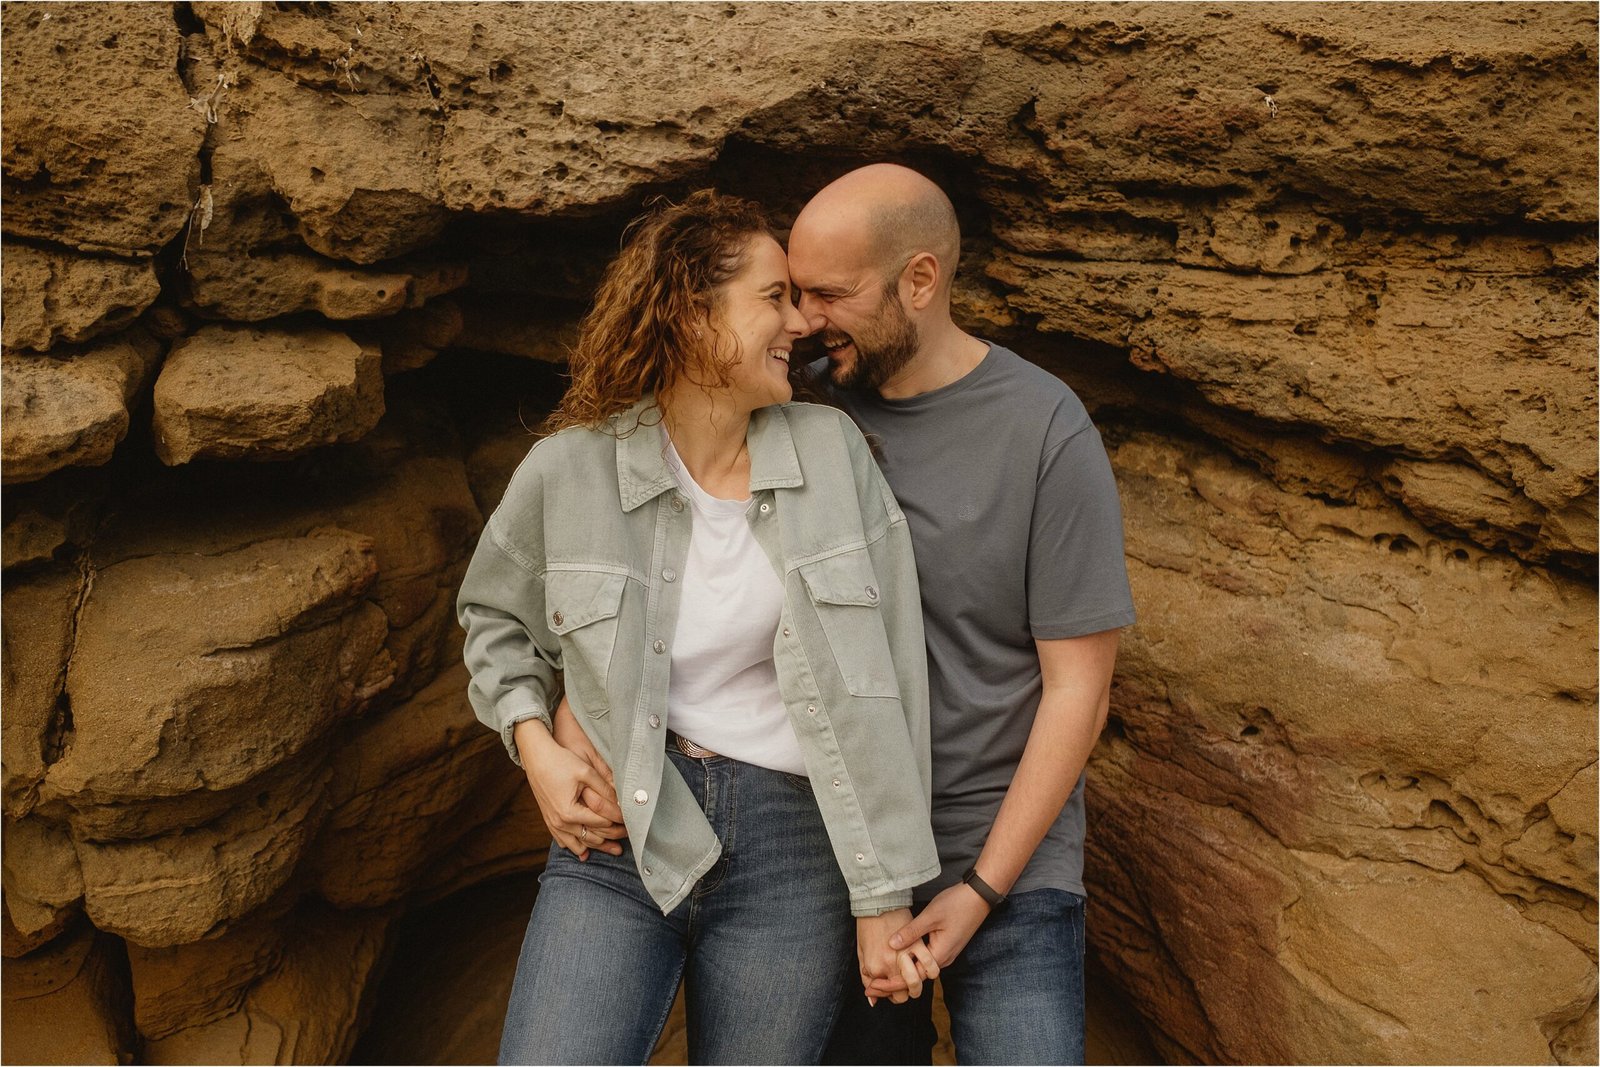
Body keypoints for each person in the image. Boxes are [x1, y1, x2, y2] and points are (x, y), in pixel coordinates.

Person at [456, 189, 941, 1066]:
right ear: (689, 313)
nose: (800, 321)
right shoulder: (569, 470)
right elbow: (494, 619)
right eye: (774, 297)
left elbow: (891, 685)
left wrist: (883, 894)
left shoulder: (832, 456)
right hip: (622, 828)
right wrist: (537, 746)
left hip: (798, 850)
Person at [787, 163, 1137, 1065]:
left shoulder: (1046, 428)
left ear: (921, 280)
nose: (803, 319)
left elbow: (1078, 692)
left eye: (829, 292)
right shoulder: (803, 409)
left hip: (1006, 848)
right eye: (793, 293)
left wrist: (982, 886)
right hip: (846, 848)